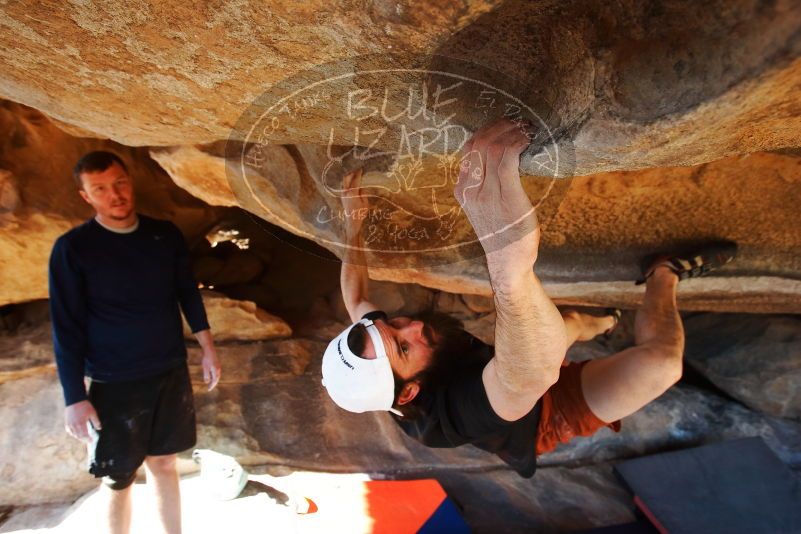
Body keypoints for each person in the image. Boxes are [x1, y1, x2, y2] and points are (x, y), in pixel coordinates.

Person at [321, 119, 736, 477]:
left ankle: (606, 320)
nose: (410, 325)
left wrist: (353, 224)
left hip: (517, 365)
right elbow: (527, 376)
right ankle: (664, 274)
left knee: (570, 322)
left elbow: (355, 296)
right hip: (544, 415)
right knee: (663, 364)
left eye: (391, 323)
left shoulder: (376, 350)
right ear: (409, 393)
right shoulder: (450, 418)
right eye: (404, 345)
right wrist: (509, 267)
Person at [49, 151, 221, 534]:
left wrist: (208, 347)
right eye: (101, 189)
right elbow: (66, 328)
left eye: (119, 183)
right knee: (118, 477)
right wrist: (74, 397)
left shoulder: (163, 235)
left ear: (130, 181)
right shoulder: (73, 249)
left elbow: (186, 294)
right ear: (86, 196)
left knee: (164, 463)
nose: (115, 195)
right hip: (114, 381)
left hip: (169, 370)